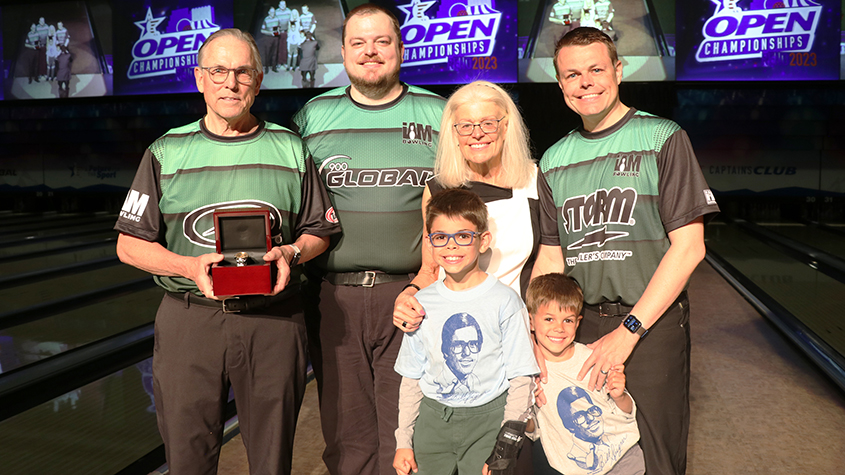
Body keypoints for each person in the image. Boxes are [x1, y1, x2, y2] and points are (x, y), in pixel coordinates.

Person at [114, 28, 339, 475]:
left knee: (272, 461)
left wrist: (291, 252)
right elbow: (128, 244)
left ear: (257, 81)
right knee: (187, 457)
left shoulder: (291, 148)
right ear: (199, 78)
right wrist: (188, 265)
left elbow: (321, 229)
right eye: (218, 71)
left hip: (274, 319)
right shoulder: (165, 151)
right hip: (189, 318)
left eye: (242, 72)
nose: (230, 83)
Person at [533, 27, 720, 475]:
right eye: (572, 74)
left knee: (655, 457)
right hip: (581, 324)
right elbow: (551, 258)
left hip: (651, 325)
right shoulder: (554, 160)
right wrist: (533, 333)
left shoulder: (663, 138)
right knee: (588, 450)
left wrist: (629, 331)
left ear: (619, 70)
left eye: (596, 69)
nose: (585, 82)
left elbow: (690, 247)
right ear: (560, 84)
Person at [291, 4, 446, 475]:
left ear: (400, 49)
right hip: (333, 298)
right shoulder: (314, 116)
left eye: (381, 41)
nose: (370, 52)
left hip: (416, 294)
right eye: (359, 43)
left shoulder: (438, 112)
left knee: (409, 431)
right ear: (342, 53)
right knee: (346, 433)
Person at [393, 188, 538, 475]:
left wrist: (506, 444)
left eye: (462, 236)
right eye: (440, 237)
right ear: (430, 242)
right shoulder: (421, 303)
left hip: (488, 423)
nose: (451, 246)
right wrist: (403, 441)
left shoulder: (505, 301)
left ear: (483, 241)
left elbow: (521, 376)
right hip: (432, 425)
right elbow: (411, 377)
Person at [525, 273, 644, 475]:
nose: (558, 328)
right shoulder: (529, 373)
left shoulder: (594, 359)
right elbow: (533, 430)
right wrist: (523, 409)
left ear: (578, 322)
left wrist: (620, 395)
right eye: (548, 319)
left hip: (623, 461)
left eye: (568, 321)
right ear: (531, 322)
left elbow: (626, 413)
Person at [260, 6, 282, 73]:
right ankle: (266, 68)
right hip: (268, 38)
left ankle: (274, 67)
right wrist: (270, 33)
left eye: (274, 12)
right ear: (269, 12)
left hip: (275, 38)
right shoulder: (266, 20)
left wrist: (278, 31)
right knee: (268, 53)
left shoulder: (277, 19)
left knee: (275, 53)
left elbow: (279, 27)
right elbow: (262, 30)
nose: (273, 13)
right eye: (271, 12)